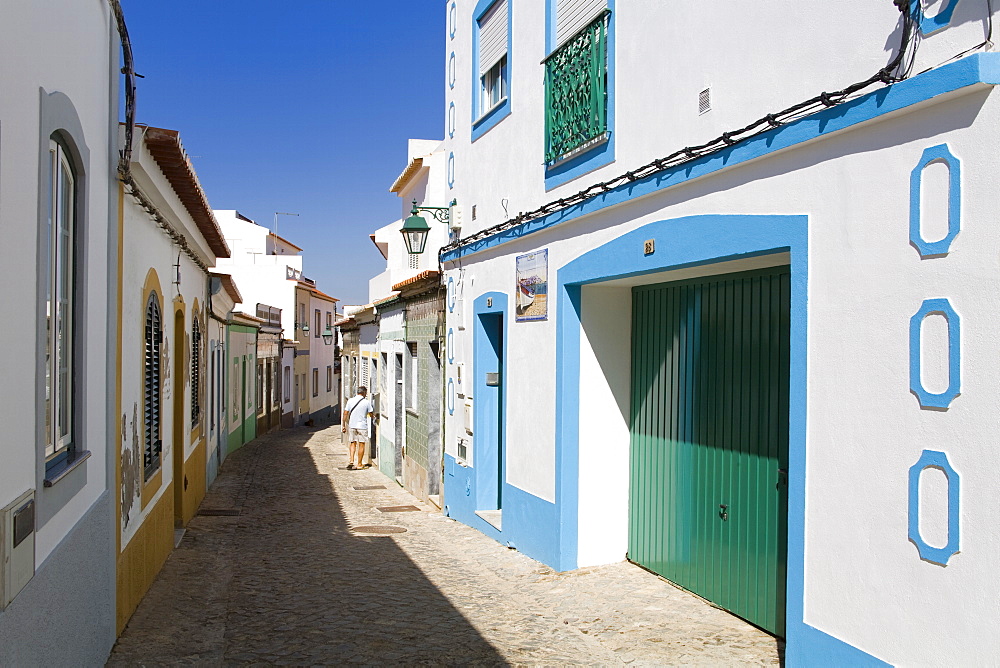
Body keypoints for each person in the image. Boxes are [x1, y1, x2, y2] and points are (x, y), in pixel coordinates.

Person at [342, 386, 373, 470]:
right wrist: (374, 416)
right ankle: (359, 464)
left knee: (352, 443)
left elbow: (345, 413)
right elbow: (371, 413)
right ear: (364, 393)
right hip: (362, 426)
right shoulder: (366, 402)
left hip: (352, 425)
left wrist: (343, 425)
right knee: (361, 444)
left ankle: (351, 460)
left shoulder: (350, 401)